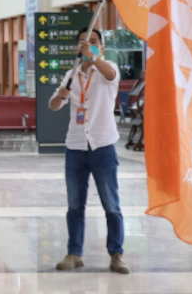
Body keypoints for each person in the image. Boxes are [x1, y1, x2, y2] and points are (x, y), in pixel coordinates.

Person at [48, 27, 130, 274]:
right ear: (76, 47)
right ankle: (74, 254)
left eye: (93, 42)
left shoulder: (107, 70)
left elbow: (110, 73)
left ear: (101, 47)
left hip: (102, 146)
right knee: (75, 205)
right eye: (83, 41)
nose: (88, 44)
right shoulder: (71, 74)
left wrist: (93, 57)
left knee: (111, 204)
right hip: (75, 147)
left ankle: (116, 254)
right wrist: (61, 96)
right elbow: (53, 106)